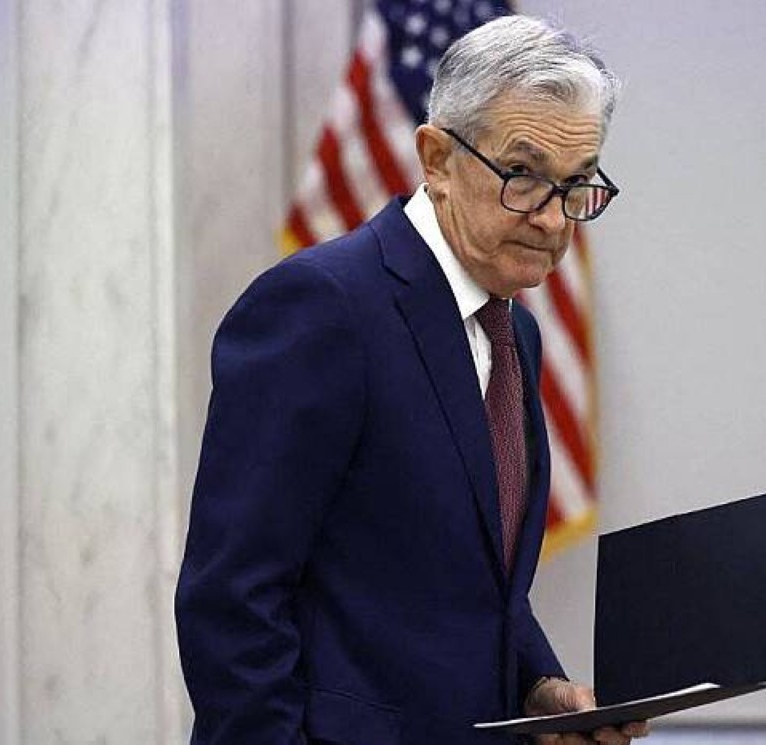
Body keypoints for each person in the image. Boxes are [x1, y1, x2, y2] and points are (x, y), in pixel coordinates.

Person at [175, 14, 649, 745]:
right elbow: (231, 600)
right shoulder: (321, 307)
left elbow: (474, 582)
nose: (555, 220)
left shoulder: (514, 329)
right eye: (523, 176)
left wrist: (537, 685)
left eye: (576, 184)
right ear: (437, 159)